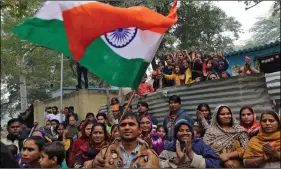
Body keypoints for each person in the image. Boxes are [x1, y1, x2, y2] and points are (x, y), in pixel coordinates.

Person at [88, 113, 160, 168]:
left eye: (131, 124)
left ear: (140, 130)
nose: (127, 128)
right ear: (118, 130)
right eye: (123, 125)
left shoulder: (151, 155)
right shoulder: (106, 152)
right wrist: (93, 164)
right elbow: (86, 165)